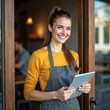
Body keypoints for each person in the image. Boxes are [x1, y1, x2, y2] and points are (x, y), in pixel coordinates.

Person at [24, 7, 91, 110]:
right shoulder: (38, 55)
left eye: (68, 28)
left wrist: (83, 88)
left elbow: (74, 87)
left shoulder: (74, 55)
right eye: (60, 27)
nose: (65, 32)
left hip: (74, 107)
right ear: (50, 27)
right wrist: (55, 95)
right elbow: (28, 94)